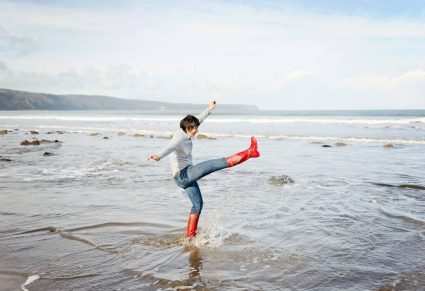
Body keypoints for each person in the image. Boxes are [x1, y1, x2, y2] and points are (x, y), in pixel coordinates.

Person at [148, 100, 260, 238]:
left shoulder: (187, 130)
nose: (196, 129)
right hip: (184, 174)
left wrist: (209, 108)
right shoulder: (178, 138)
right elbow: (170, 147)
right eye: (194, 128)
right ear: (187, 128)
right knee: (214, 164)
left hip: (184, 177)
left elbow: (199, 119)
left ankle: (190, 236)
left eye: (196, 127)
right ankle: (250, 152)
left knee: (198, 204)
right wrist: (158, 156)